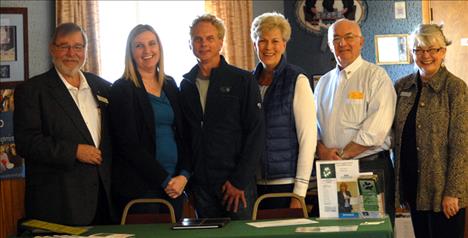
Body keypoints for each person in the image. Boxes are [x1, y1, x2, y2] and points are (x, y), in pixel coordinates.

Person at [13, 23, 114, 225]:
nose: (71, 53)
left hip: (103, 202)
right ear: (52, 49)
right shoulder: (32, 90)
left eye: (78, 47)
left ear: (85, 50)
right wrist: (74, 151)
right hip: (58, 205)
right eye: (64, 46)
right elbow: (27, 143)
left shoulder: (103, 87)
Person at [179, 14, 264, 220]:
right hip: (202, 187)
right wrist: (190, 182)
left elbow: (256, 133)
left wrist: (239, 181)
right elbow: (185, 137)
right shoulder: (185, 85)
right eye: (198, 39)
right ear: (190, 44)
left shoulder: (242, 80)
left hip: (236, 185)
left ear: (221, 42)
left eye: (210, 38)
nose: (203, 44)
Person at [314, 19, 397, 222]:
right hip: (330, 170)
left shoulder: (376, 77)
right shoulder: (323, 83)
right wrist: (322, 150)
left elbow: (376, 130)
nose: (342, 43)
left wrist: (341, 156)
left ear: (361, 42)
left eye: (348, 37)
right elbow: (312, 126)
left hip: (368, 169)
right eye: (336, 39)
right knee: (335, 230)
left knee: (372, 230)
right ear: (330, 45)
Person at [109, 24, 190, 220]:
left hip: (176, 186)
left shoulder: (170, 84)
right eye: (139, 46)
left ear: (159, 48)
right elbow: (128, 145)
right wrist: (164, 180)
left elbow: (184, 134)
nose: (147, 51)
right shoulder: (122, 88)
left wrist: (184, 175)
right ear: (131, 52)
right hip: (141, 188)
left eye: (152, 44)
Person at [394, 24, 467, 238]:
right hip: (413, 189)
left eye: (433, 49)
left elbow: (461, 144)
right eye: (419, 49)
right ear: (412, 53)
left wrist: (453, 192)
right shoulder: (402, 86)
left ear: (443, 51)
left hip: (443, 193)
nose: (426, 55)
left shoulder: (455, 88)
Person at [250, 12, 317, 209]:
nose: (269, 47)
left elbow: (308, 139)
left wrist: (299, 193)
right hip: (253, 186)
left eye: (275, 41)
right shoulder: (248, 82)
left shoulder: (298, 80)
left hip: (286, 185)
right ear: (255, 45)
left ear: (284, 44)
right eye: (262, 41)